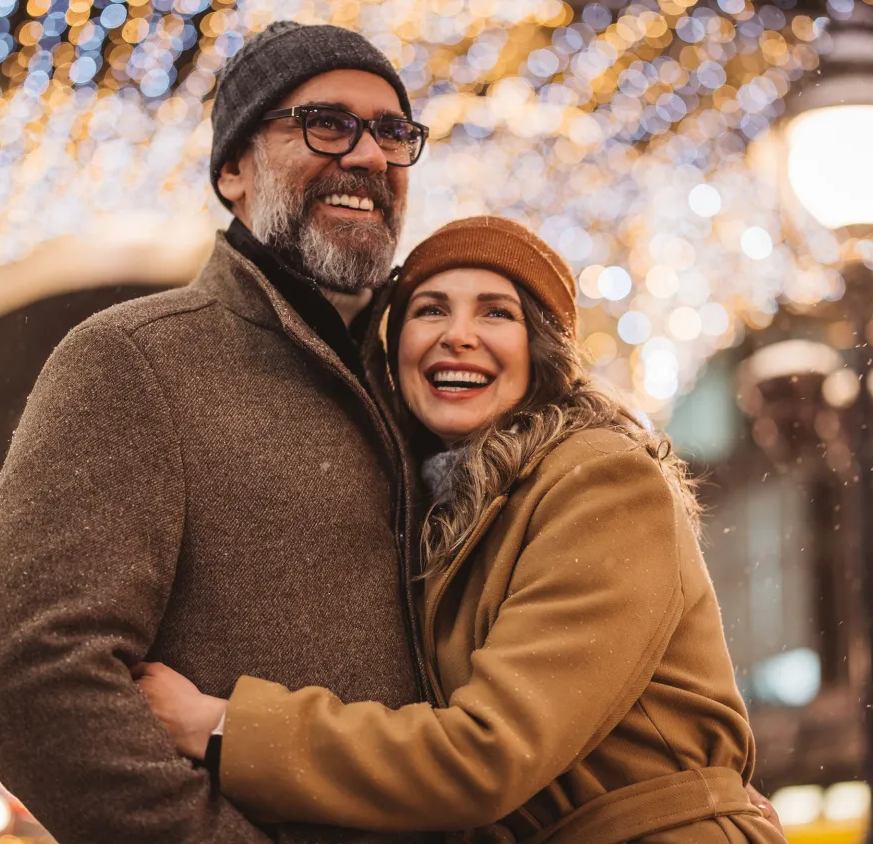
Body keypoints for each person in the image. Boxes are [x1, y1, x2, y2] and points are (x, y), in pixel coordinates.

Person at [136, 216, 788, 843]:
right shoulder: (440, 514)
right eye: (430, 309)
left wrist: (219, 726)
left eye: (496, 312)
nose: (458, 335)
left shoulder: (599, 482)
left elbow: (488, 755)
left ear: (539, 348)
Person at [0, 22, 445, 844]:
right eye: (327, 123)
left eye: (394, 133)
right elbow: (36, 677)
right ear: (233, 169)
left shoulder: (427, 388)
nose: (369, 156)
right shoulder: (136, 361)